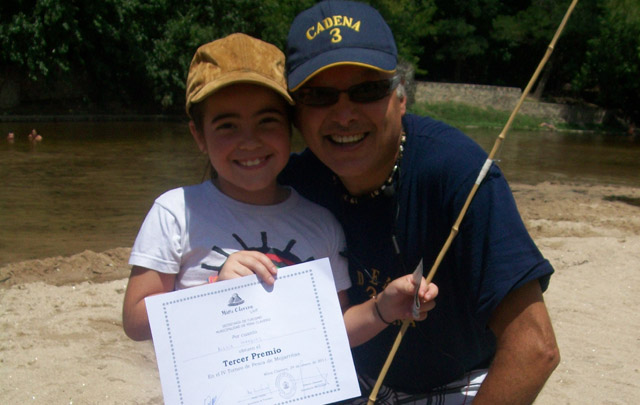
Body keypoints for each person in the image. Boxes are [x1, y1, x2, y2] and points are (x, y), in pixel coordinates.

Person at [280, 1, 560, 404]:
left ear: (401, 97)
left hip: (459, 387)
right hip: (349, 382)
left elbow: (535, 349)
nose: (343, 115)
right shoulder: (294, 182)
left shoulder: (459, 173)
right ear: (295, 114)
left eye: (367, 90)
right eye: (319, 95)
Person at [122, 33, 437, 347]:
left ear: (291, 126)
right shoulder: (175, 212)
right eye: (227, 126)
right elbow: (136, 321)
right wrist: (216, 293)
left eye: (267, 121)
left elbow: (332, 329)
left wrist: (382, 308)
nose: (250, 141)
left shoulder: (321, 222)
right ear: (199, 136)